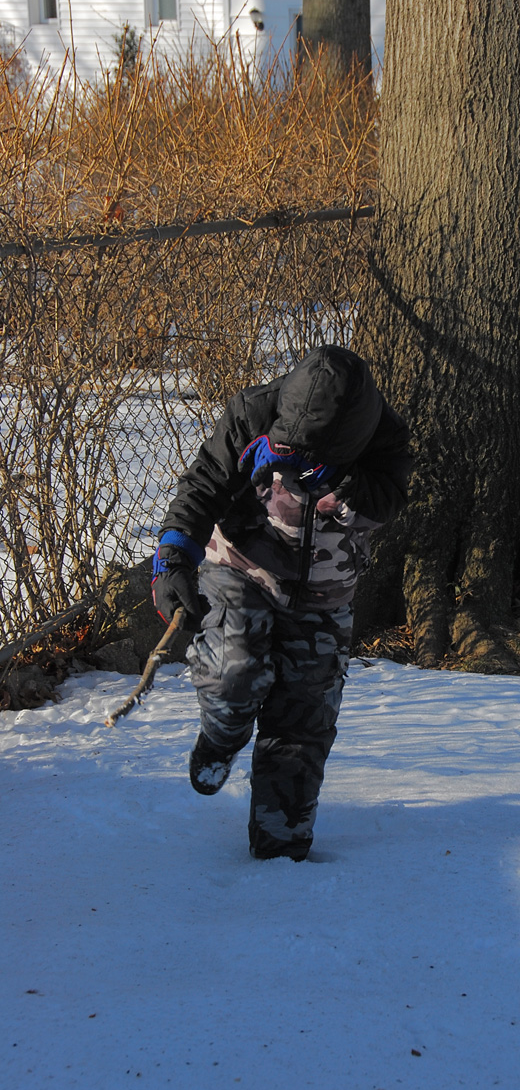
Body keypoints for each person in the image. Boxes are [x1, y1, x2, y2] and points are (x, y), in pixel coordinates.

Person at [151, 345, 411, 862]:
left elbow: (386, 502)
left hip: (323, 595)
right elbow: (204, 485)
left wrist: (335, 478)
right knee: (236, 672)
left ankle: (280, 846)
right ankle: (221, 738)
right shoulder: (251, 412)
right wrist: (173, 555)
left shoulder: (385, 437)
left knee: (304, 719)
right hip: (239, 569)